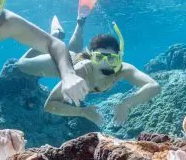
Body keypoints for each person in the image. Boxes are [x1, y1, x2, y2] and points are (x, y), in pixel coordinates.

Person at [16, 18, 161, 127]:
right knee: (21, 65)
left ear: (119, 58)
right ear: (92, 58)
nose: (105, 63)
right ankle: (54, 37)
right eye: (99, 57)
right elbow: (49, 105)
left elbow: (154, 86)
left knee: (73, 49)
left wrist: (126, 104)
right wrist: (82, 112)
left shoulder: (123, 69)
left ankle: (80, 23)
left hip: (77, 55)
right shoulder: (80, 72)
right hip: (65, 63)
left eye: (111, 58)